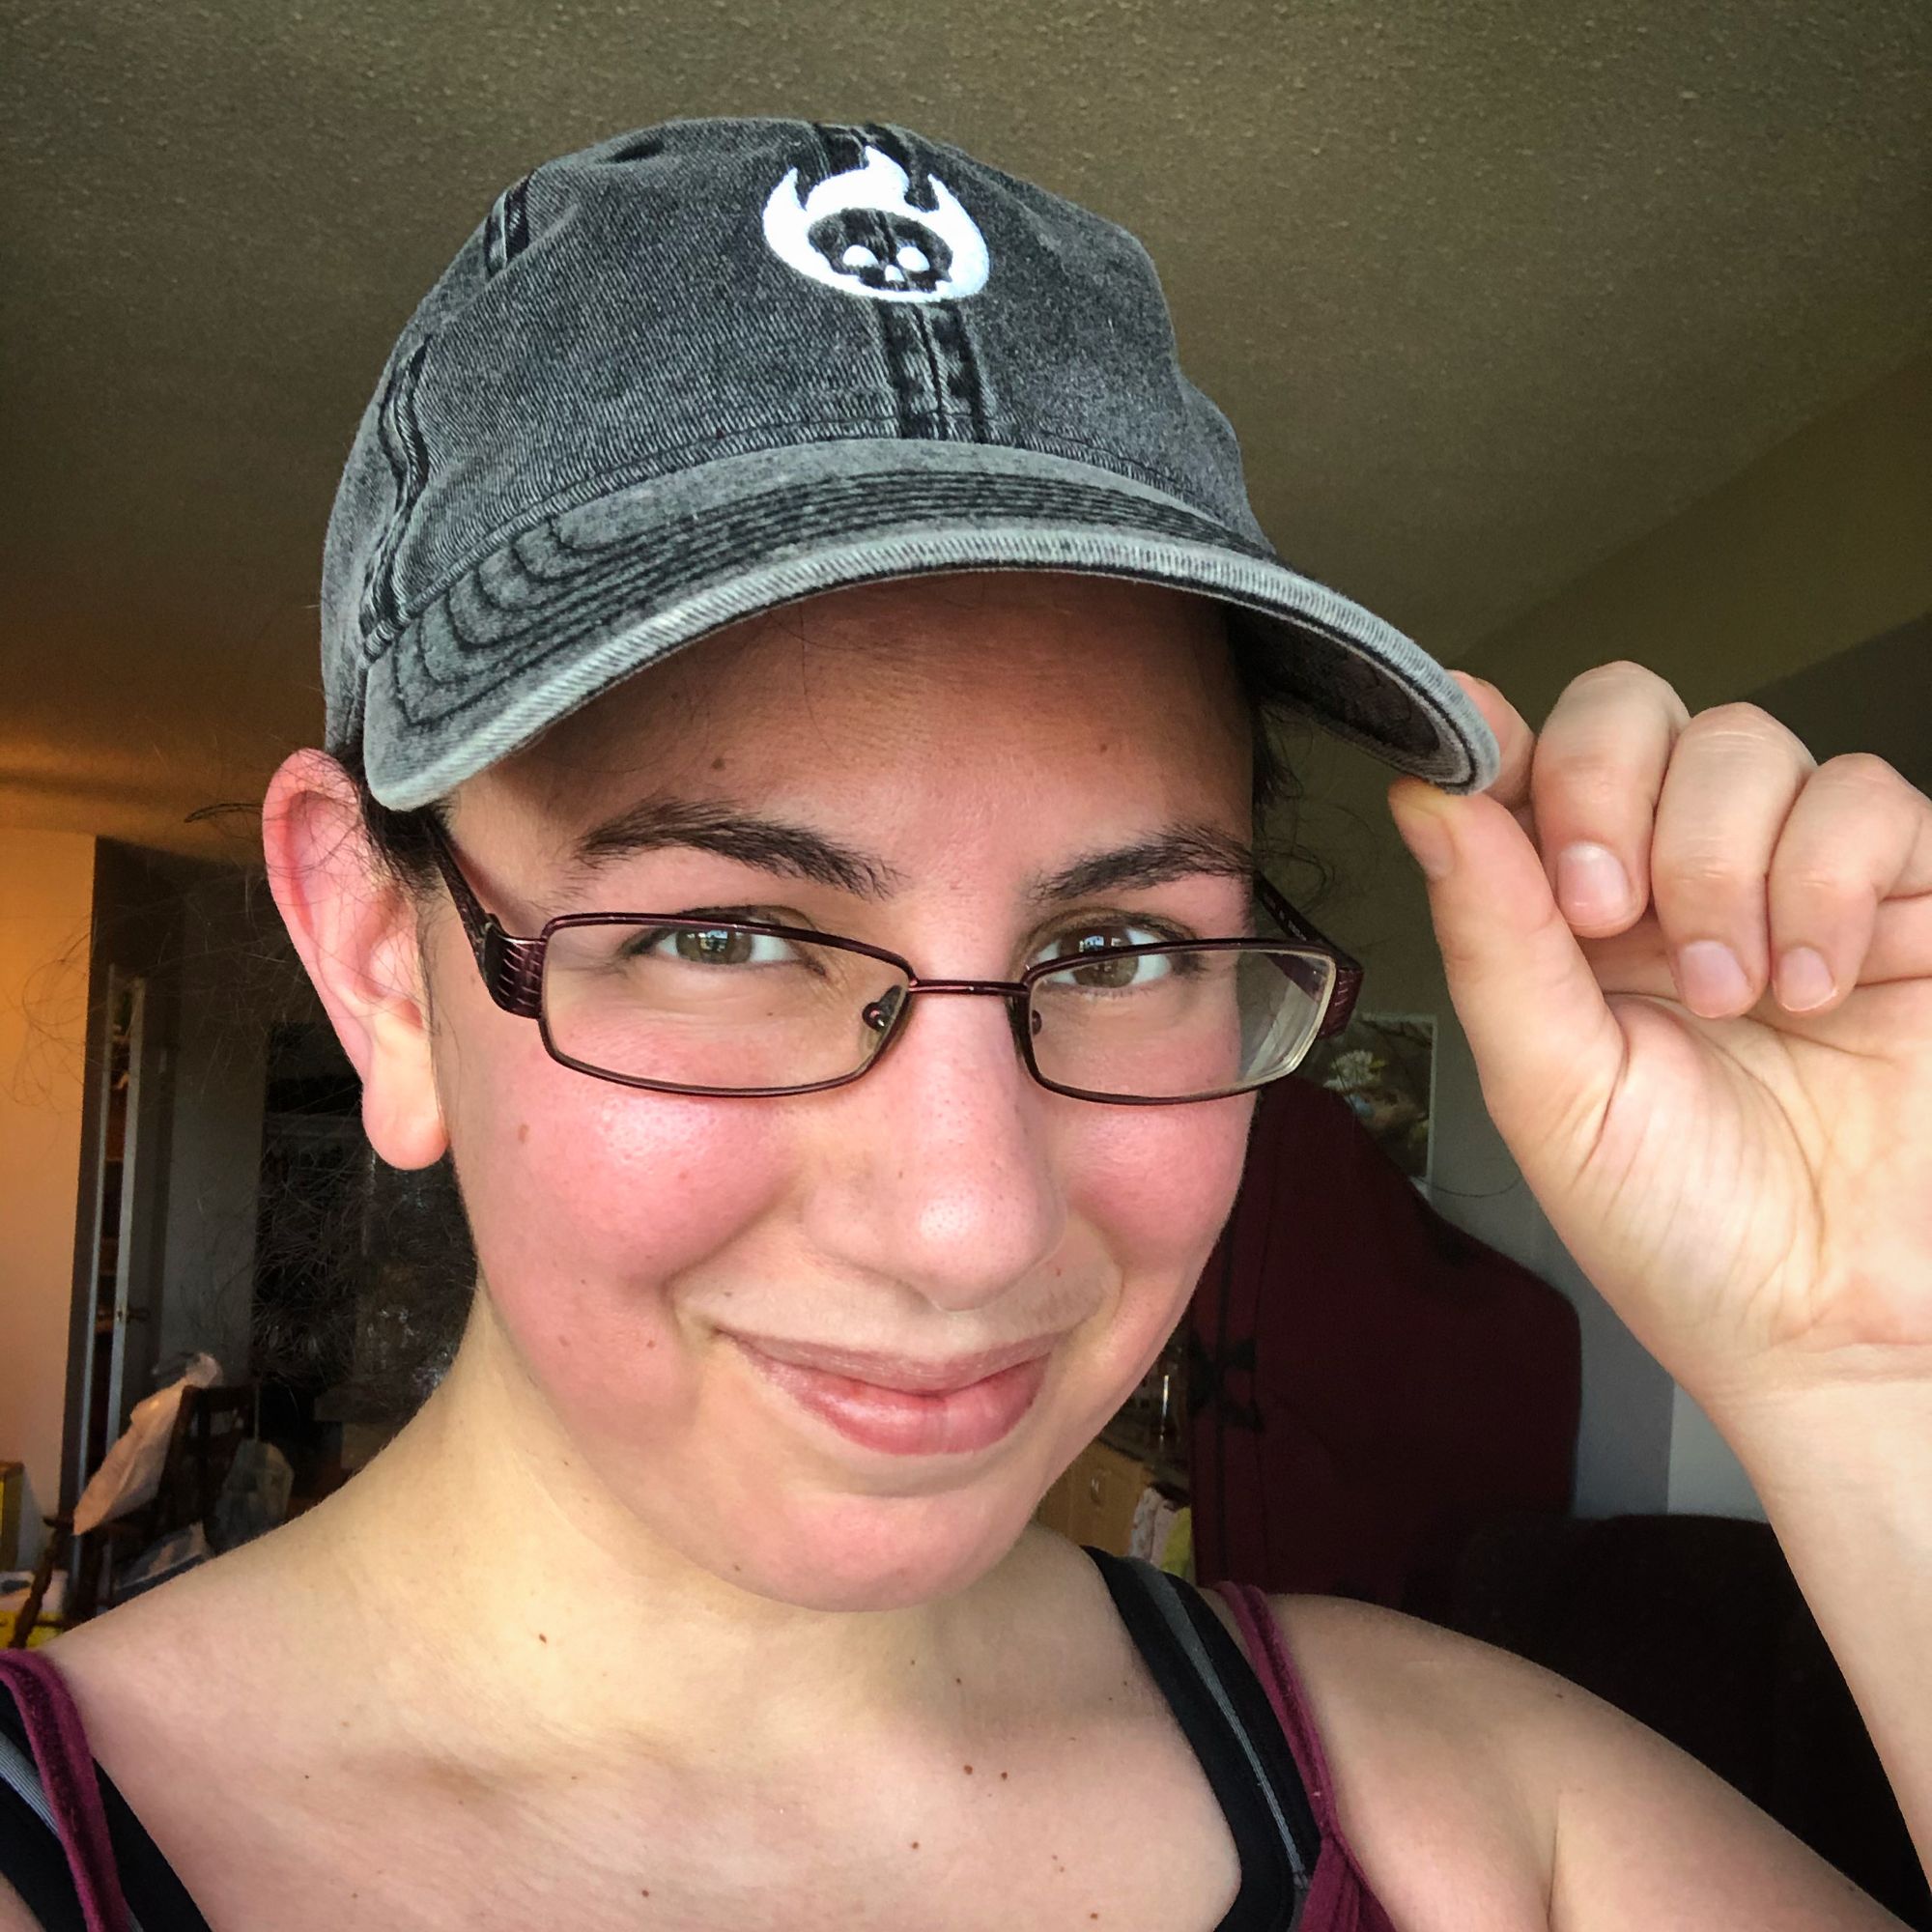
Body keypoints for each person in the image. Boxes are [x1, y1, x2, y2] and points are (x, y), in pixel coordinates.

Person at [2, 117, 1924, 1931]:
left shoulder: (1489, 1829)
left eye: (1114, 949)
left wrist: (1873, 1369)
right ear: (368, 949)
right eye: (733, 935)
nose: (968, 1225)